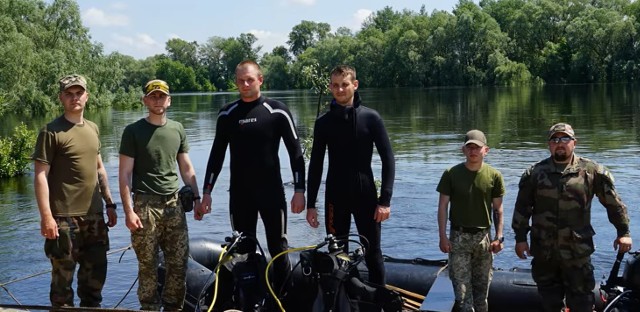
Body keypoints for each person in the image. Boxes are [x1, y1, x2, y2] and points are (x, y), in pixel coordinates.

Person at [197, 60, 306, 292]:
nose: (245, 84)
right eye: (240, 80)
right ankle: (249, 300)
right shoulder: (227, 114)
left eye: (249, 79)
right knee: (243, 250)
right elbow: (216, 155)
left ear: (260, 80)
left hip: (272, 194)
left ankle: (283, 301)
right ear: (236, 82)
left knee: (278, 249)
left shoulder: (277, 111)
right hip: (240, 195)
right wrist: (206, 192)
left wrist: (299, 190)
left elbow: (296, 153)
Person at [512, 122, 633, 312]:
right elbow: (522, 208)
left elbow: (613, 204)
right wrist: (520, 239)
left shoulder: (591, 171)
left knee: (582, 302)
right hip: (545, 251)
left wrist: (623, 232)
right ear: (549, 144)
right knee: (549, 301)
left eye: (565, 138)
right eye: (555, 139)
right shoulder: (535, 173)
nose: (560, 143)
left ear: (574, 142)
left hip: (577, 252)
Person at [305, 65, 395, 286]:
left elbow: (388, 159)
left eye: (344, 84)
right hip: (335, 196)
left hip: (365, 194)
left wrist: (385, 200)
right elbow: (316, 164)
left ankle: (378, 303)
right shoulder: (323, 123)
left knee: (373, 252)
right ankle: (343, 302)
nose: (340, 89)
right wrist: (311, 204)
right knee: (337, 253)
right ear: (330, 87)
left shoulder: (371, 118)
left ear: (354, 85)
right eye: (335, 85)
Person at [33, 74, 118, 307]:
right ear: (61, 98)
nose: (74, 98)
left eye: (79, 93)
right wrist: (47, 217)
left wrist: (110, 204)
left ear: (86, 96)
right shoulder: (51, 132)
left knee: (94, 284)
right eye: (69, 94)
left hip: (95, 217)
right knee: (62, 287)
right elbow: (40, 175)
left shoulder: (93, 128)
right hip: (63, 219)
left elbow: (99, 168)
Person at [119, 79, 202, 311]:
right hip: (145, 206)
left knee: (178, 263)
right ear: (145, 100)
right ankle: (149, 308)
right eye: (153, 96)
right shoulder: (133, 131)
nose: (158, 100)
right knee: (147, 265)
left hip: (174, 203)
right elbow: (124, 175)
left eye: (162, 96)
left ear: (169, 100)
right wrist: (128, 211)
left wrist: (196, 198)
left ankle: (173, 308)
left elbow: (186, 168)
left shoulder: (177, 129)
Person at [436, 129, 505, 312]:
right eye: (470, 147)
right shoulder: (451, 173)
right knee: (463, 296)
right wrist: (443, 237)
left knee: (482, 295)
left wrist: (499, 237)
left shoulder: (494, 175)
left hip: (484, 239)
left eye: (477, 148)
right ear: (463, 150)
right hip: (458, 238)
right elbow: (443, 206)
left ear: (486, 150)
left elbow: (498, 209)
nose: (473, 151)